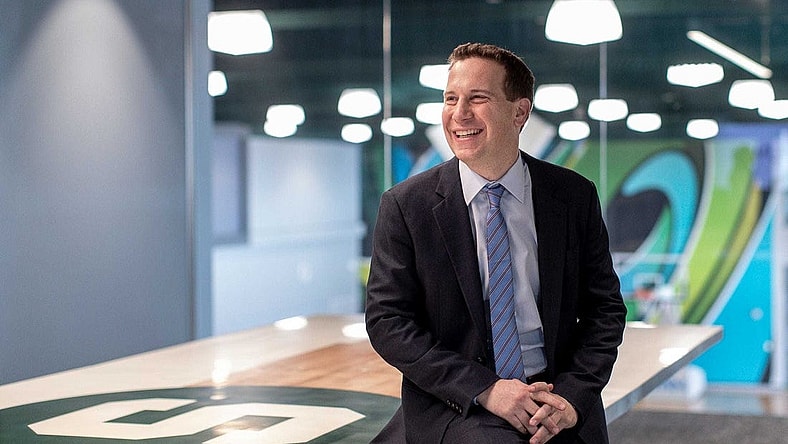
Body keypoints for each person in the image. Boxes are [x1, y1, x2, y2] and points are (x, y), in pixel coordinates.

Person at [365, 42, 627, 444]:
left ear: (519, 112)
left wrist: (573, 398)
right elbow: (388, 322)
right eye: (451, 99)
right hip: (460, 401)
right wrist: (486, 389)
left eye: (478, 99)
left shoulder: (573, 196)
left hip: (555, 394)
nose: (459, 114)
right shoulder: (406, 206)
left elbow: (604, 310)